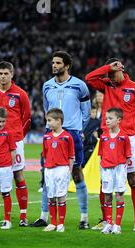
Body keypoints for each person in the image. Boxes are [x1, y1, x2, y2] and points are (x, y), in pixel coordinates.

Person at [85, 58, 135, 232]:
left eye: (114, 72)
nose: (111, 76)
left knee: (133, 178)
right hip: (108, 138)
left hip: (128, 138)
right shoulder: (106, 85)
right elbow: (89, 78)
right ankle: (106, 220)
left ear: (122, 68)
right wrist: (107, 68)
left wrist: (134, 131)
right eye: (109, 73)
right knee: (104, 179)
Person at [32, 51, 91, 229]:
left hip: (72, 133)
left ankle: (84, 217)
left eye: (58, 63)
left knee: (77, 172)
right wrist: (51, 126)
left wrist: (80, 128)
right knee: (47, 173)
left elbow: (86, 111)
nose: (54, 66)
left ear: (66, 66)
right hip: (51, 134)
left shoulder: (79, 86)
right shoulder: (47, 86)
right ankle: (43, 216)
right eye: (53, 63)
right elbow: (46, 108)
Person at [0, 61, 31, 227]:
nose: (3, 76)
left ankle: (23, 217)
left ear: (12, 74)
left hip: (14, 142)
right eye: (0, 73)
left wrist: (17, 137)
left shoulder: (20, 94)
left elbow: (27, 118)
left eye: (6, 73)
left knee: (18, 176)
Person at [98, 108, 131, 234]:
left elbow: (127, 156)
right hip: (106, 169)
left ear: (119, 120)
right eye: (106, 118)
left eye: (110, 118)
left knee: (119, 195)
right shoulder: (103, 137)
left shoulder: (124, 137)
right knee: (107, 196)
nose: (107, 121)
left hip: (119, 168)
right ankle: (109, 223)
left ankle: (117, 224)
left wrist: (123, 170)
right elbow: (101, 155)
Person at [42, 108, 75, 233]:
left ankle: (61, 223)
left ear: (58, 121)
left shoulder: (67, 137)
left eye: (50, 121)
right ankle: (53, 223)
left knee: (61, 196)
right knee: (51, 196)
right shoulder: (46, 137)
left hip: (62, 169)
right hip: (49, 169)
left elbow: (71, 156)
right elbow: (45, 154)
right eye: (47, 121)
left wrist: (69, 170)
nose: (48, 123)